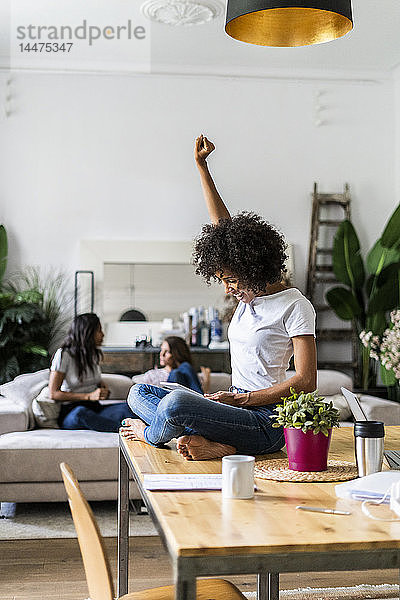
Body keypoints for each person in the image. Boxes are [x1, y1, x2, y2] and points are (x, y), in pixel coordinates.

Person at [120, 135, 317, 460]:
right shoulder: (246, 298)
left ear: (252, 269)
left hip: (267, 420)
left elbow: (306, 380)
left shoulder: (295, 306)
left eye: (231, 280)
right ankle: (215, 442)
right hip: (234, 406)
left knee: (176, 404)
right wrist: (202, 167)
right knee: (138, 392)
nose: (228, 289)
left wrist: (242, 400)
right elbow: (224, 231)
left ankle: (152, 433)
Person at [49, 313, 136, 432]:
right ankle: (125, 430)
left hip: (95, 408)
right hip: (71, 411)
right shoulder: (64, 354)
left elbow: (91, 379)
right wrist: (89, 396)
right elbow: (53, 394)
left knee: (129, 408)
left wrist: (102, 387)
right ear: (87, 332)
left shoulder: (92, 354)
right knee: (81, 413)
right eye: (99, 330)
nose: (103, 334)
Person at [132, 336, 203, 394]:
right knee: (176, 373)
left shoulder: (187, 372)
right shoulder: (152, 374)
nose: (161, 354)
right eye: (161, 350)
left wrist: (206, 381)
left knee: (182, 368)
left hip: (187, 403)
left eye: (167, 351)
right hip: (164, 403)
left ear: (177, 353)